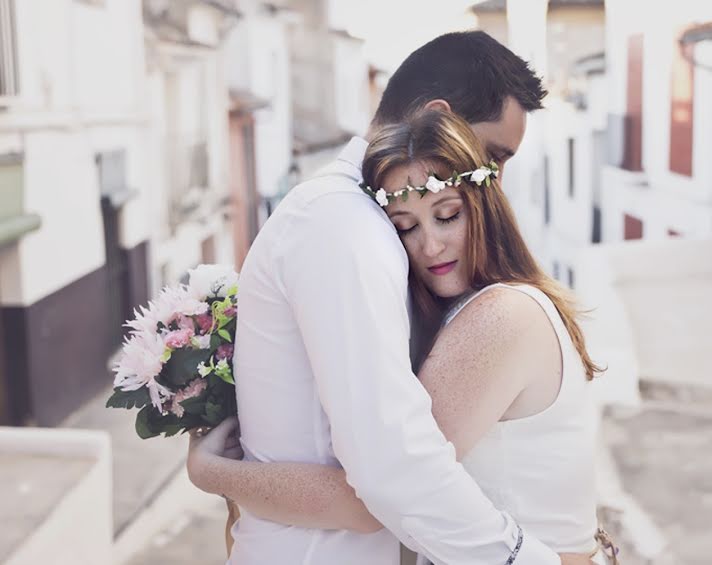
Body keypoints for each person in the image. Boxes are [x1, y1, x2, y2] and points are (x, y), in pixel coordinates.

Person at [188, 31, 604, 565]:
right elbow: (392, 471)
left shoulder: (457, 282)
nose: (497, 180)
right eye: (494, 156)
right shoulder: (343, 222)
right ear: (438, 118)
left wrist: (214, 473)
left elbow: (386, 480)